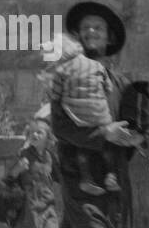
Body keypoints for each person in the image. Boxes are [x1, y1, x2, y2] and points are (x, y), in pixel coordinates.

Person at [50, 3, 142, 228]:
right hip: (80, 176)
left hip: (115, 175)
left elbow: (136, 128)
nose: (90, 33)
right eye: (85, 28)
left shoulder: (122, 83)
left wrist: (134, 137)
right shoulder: (68, 75)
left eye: (98, 29)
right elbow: (60, 126)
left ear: (109, 37)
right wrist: (102, 134)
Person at [43, 33, 122, 196]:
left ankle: (86, 179)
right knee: (107, 143)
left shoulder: (61, 71)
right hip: (101, 115)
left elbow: (55, 97)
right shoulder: (97, 66)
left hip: (77, 117)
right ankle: (111, 175)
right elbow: (109, 89)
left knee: (81, 144)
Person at [7, 118, 64, 228]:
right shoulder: (23, 155)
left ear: (48, 137)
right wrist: (18, 169)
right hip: (28, 205)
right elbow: (9, 177)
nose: (35, 134)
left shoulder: (50, 157)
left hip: (47, 203)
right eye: (32, 132)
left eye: (40, 132)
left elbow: (60, 178)